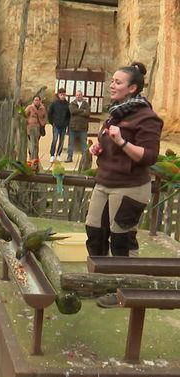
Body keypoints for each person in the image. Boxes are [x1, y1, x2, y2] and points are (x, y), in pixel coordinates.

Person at [86, 62, 162, 267]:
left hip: (130, 186)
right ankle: (99, 282)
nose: (111, 85)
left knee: (122, 239)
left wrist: (122, 142)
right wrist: (99, 148)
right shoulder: (115, 113)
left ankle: (125, 288)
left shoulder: (147, 118)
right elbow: (106, 142)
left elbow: (150, 156)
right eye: (112, 81)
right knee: (94, 233)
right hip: (104, 182)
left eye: (118, 82)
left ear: (132, 88)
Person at [66, 90, 91, 163]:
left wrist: (78, 111)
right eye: (77, 95)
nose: (78, 96)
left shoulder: (86, 104)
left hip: (83, 127)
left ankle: (84, 158)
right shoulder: (72, 103)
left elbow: (87, 114)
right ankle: (69, 157)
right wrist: (82, 111)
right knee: (71, 143)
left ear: (82, 95)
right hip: (73, 127)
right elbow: (72, 112)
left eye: (79, 95)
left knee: (84, 144)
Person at [47, 88, 70, 163]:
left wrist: (67, 123)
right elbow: (50, 113)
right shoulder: (54, 103)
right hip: (56, 125)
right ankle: (52, 155)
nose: (62, 96)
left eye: (64, 94)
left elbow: (69, 115)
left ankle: (58, 154)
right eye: (61, 94)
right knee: (55, 139)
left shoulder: (67, 104)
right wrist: (52, 122)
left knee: (62, 141)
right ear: (58, 95)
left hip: (63, 125)